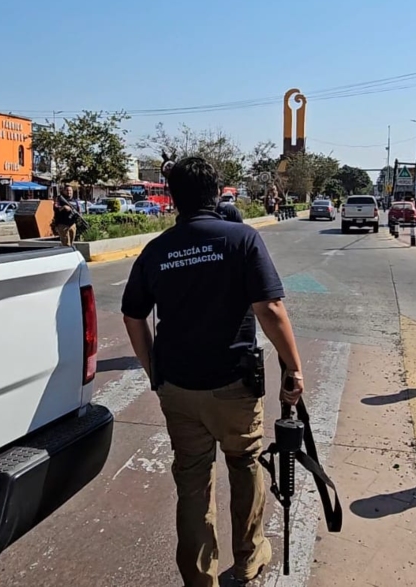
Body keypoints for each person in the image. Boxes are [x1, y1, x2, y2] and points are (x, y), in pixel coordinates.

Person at [121, 157, 304, 587]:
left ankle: (200, 578)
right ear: (217, 193)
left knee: (192, 481)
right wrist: (294, 368)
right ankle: (248, 558)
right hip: (233, 384)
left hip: (178, 387)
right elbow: (270, 308)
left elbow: (133, 316)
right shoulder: (242, 239)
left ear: (173, 199)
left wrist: (153, 370)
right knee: (244, 464)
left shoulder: (157, 250)